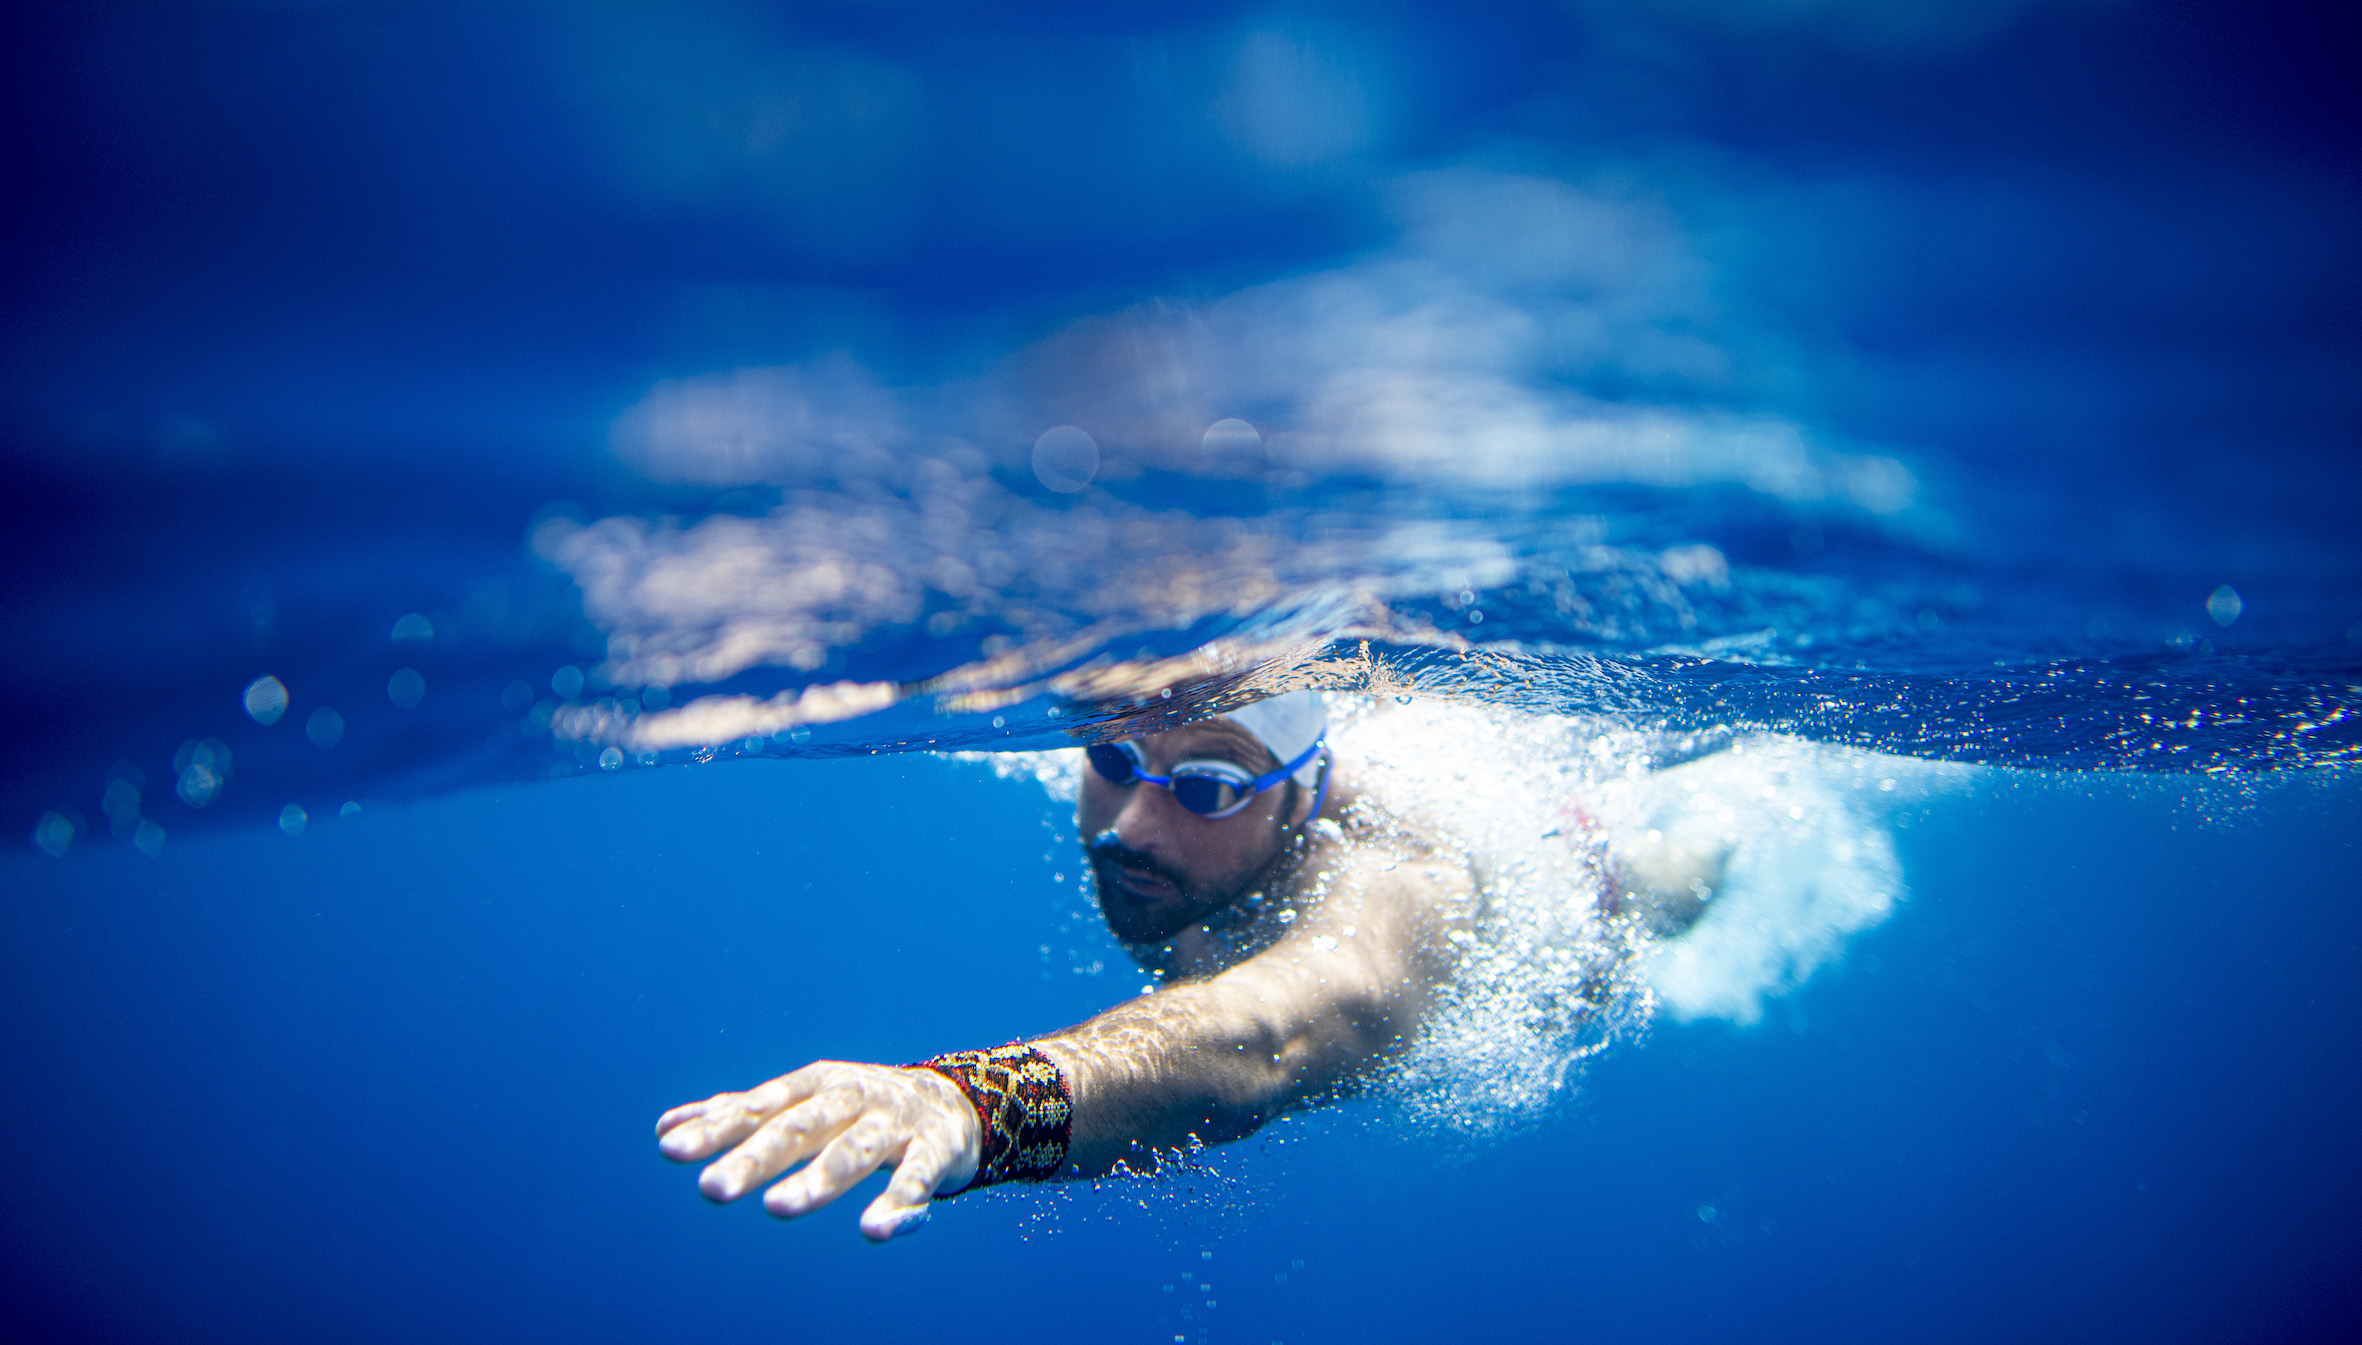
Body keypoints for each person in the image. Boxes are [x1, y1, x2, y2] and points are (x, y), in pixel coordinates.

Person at [654, 692, 1721, 1241]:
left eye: (1210, 785)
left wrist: (976, 1104)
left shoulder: (1405, 871)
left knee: (1688, 871)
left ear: (1303, 794)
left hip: (1594, 896)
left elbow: (1271, 1036)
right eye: (1110, 763)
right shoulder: (1161, 836)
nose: (1128, 824)